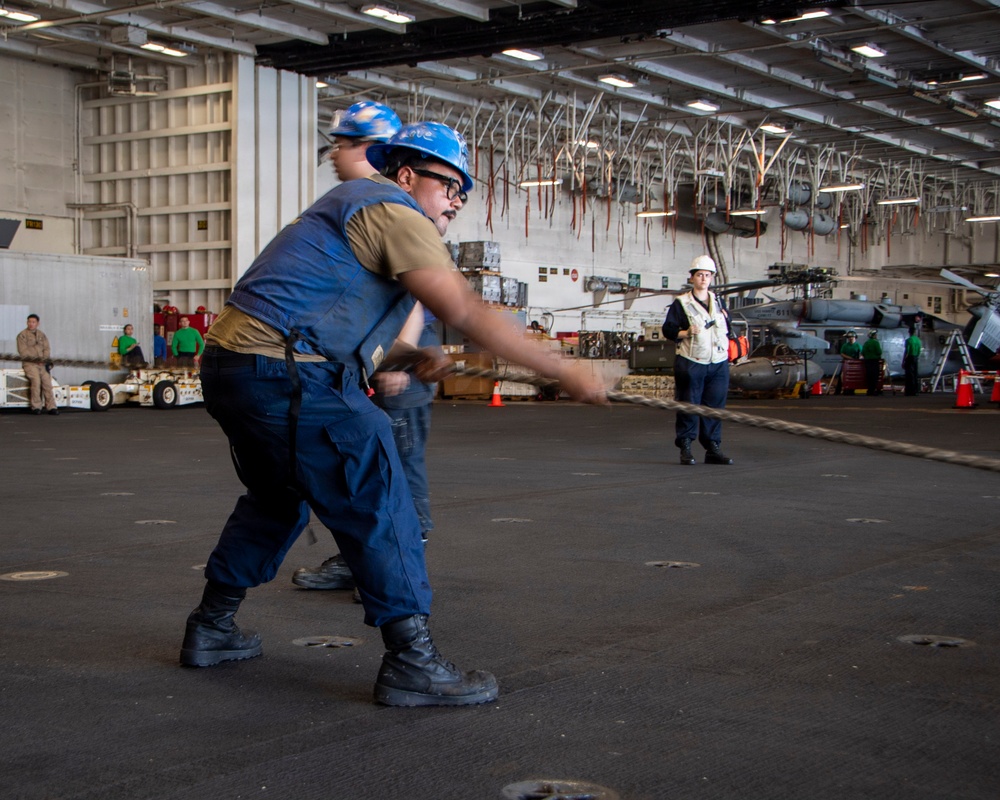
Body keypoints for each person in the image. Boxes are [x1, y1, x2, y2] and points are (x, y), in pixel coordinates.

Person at [179, 121, 606, 709]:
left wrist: (411, 353)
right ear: (407, 175)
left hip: (240, 369)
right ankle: (412, 661)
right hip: (288, 375)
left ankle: (212, 626)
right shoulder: (397, 211)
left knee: (279, 495)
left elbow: (322, 314)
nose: (456, 200)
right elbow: (464, 307)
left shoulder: (347, 209)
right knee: (378, 489)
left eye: (464, 191)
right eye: (448, 184)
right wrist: (562, 369)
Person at [290, 99, 409, 592]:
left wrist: (400, 355)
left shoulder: (385, 204)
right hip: (360, 366)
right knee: (371, 478)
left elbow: (430, 298)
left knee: (388, 481)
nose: (334, 155)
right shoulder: (356, 204)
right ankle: (378, 568)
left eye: (343, 144)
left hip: (387, 368)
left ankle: (386, 572)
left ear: (374, 149)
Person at [662, 255, 732, 465]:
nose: (703, 278)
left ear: (712, 278)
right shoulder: (682, 303)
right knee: (689, 404)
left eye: (707, 275)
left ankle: (712, 447)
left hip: (718, 361)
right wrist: (685, 332)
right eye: (700, 274)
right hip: (692, 360)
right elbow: (668, 329)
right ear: (692, 278)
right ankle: (685, 446)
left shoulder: (718, 301)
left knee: (714, 406)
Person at [16, 313, 58, 415]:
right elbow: (23, 351)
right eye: (29, 322)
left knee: (47, 383)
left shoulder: (42, 335)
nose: (31, 324)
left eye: (33, 322)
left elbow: (47, 348)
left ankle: (51, 407)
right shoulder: (22, 335)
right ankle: (36, 407)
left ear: (37, 323)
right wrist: (35, 360)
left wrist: (44, 359)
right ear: (27, 322)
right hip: (30, 364)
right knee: (36, 381)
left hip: (42, 364)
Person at [836, 329, 862, 395]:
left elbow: (862, 354)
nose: (850, 338)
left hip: (855, 364)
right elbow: (842, 353)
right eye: (849, 337)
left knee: (854, 377)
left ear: (855, 337)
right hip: (846, 363)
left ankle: (852, 389)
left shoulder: (858, 345)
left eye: (852, 337)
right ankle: (838, 391)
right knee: (842, 376)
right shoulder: (845, 345)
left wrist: (859, 358)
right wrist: (850, 358)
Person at [862, 328, 883, 396]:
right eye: (875, 334)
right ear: (873, 335)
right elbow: (879, 352)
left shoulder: (866, 343)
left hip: (867, 362)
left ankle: (869, 390)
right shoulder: (876, 342)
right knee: (874, 376)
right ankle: (872, 390)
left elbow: (863, 352)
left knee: (869, 376)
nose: (876, 335)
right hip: (874, 361)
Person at [903, 326, 922, 396]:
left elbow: (907, 351)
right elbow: (919, 351)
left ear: (909, 332)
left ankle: (909, 391)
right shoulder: (918, 340)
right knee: (915, 374)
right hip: (916, 358)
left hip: (910, 358)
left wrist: (904, 361)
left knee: (909, 375)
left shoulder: (909, 340)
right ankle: (915, 390)